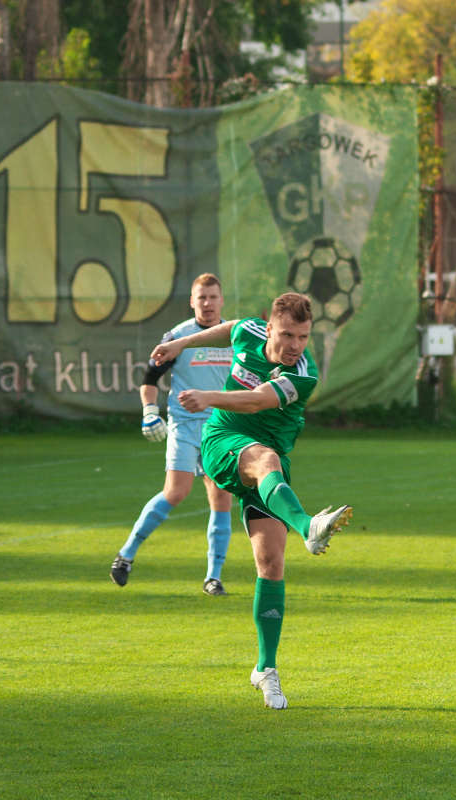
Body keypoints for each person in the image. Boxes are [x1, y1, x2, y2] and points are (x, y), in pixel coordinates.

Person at [151, 292, 353, 710]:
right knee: (265, 457)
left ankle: (266, 669)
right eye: (287, 334)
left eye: (302, 336)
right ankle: (308, 527)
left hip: (269, 473)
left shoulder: (303, 373)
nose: (295, 344)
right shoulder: (250, 330)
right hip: (224, 442)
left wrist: (210, 397)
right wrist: (178, 344)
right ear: (271, 326)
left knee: (271, 564)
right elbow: (228, 331)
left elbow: (259, 399)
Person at [110, 274, 236, 596]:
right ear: (192, 302)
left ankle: (213, 577)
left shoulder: (235, 336)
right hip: (185, 424)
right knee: (176, 492)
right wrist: (149, 410)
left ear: (222, 301)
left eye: (213, 297)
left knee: (221, 498)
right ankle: (125, 556)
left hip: (221, 427)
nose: (207, 303)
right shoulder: (178, 336)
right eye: (201, 297)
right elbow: (149, 376)